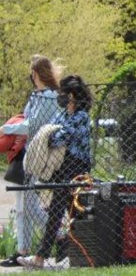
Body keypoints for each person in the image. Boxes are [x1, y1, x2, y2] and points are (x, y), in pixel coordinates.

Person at [18, 75, 93, 269]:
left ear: (73, 95)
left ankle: (69, 256)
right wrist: (52, 134)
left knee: (71, 210)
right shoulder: (63, 115)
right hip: (62, 167)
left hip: (76, 167)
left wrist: (53, 134)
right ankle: (45, 258)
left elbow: (60, 136)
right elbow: (49, 133)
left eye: (64, 93)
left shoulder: (82, 116)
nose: (60, 96)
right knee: (57, 210)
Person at [0, 55, 60, 267]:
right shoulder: (39, 96)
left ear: (36, 73)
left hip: (38, 154)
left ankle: (61, 234)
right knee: (23, 205)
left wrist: (6, 129)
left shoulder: (49, 97)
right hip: (28, 153)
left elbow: (32, 125)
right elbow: (26, 120)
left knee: (29, 206)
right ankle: (22, 250)